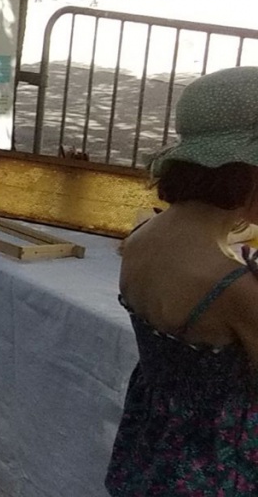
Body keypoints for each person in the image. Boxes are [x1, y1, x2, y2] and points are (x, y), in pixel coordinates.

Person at [108, 66, 258, 495]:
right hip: (218, 467)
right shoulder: (232, 285)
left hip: (153, 447)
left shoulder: (142, 237)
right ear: (246, 172)